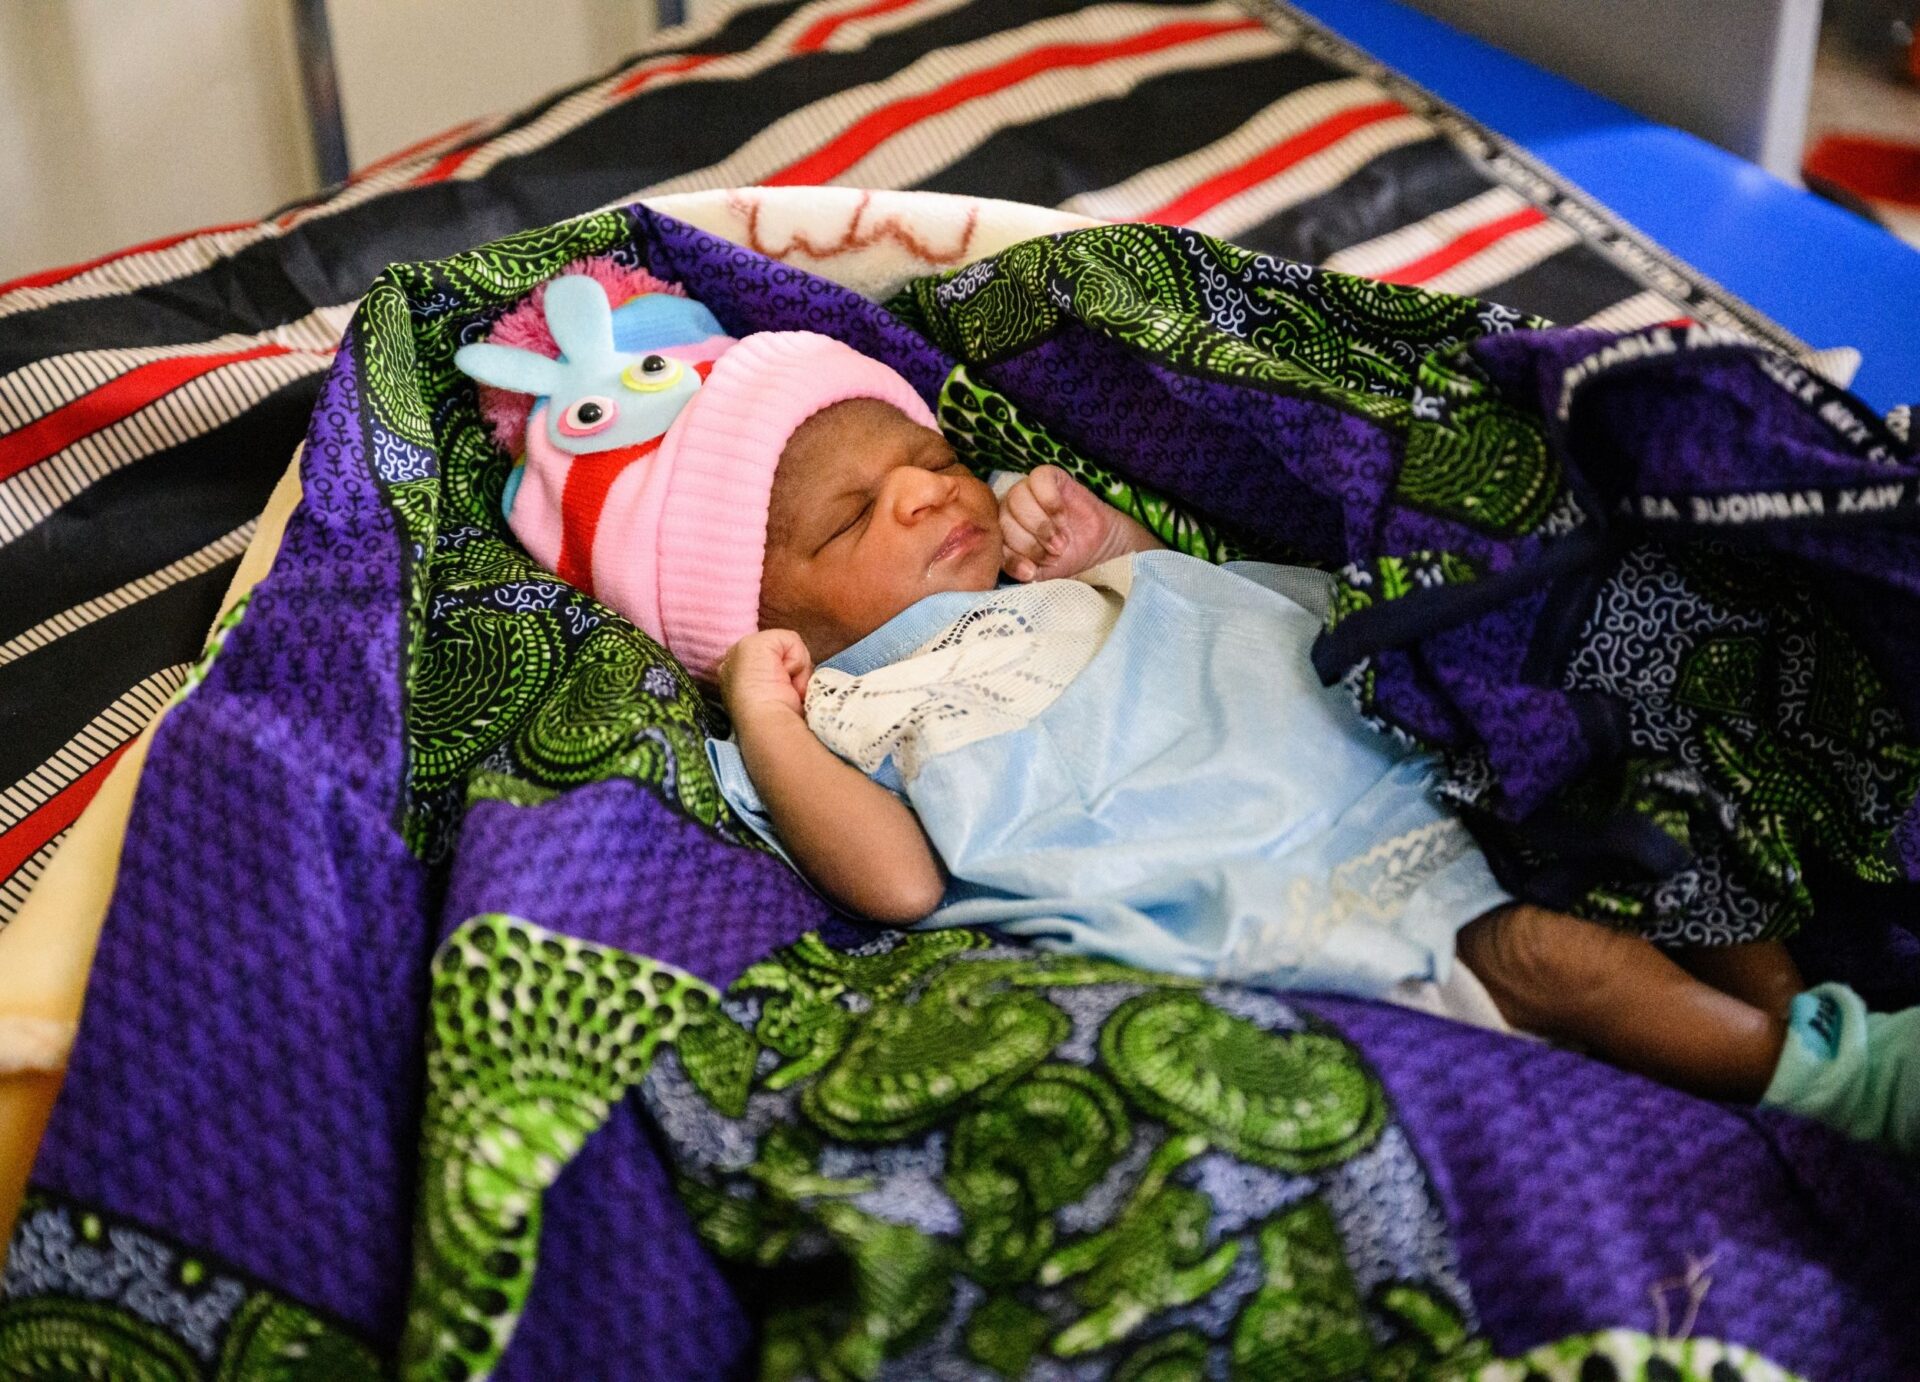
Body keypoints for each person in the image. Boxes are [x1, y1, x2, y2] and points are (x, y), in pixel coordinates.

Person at [598, 328, 1920, 1153]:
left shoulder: (1052, 584)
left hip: (1419, 783)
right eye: (850, 521)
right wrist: (766, 716)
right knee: (1557, 959)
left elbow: (1251, 616)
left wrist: (1120, 546)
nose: (925, 492)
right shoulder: (826, 714)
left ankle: (1787, 1047)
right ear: (763, 627)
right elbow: (895, 882)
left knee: (1667, 820)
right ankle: (1849, 1087)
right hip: (1295, 906)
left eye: (934, 458)